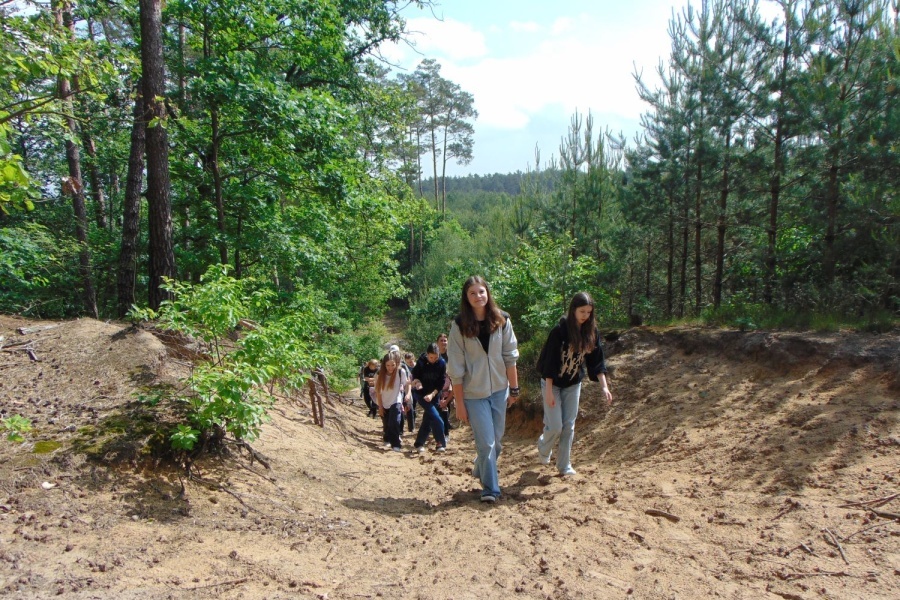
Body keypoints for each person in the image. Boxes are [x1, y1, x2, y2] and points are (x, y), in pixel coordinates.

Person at [447, 276, 519, 503]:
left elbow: (510, 357)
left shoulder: (502, 320)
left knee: (496, 441)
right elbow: (456, 367)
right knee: (486, 443)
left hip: (499, 390)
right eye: (472, 293)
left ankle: (481, 466)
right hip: (473, 395)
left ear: (487, 293)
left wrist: (514, 389)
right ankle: (490, 489)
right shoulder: (459, 326)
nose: (478, 296)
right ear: (466, 298)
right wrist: (459, 403)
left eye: (481, 292)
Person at [536, 292, 612, 476]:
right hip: (551, 383)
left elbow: (597, 361)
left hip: (572, 384)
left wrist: (604, 386)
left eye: (588, 312)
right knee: (555, 426)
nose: (585, 315)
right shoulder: (559, 331)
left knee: (568, 425)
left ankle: (564, 465)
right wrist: (548, 392)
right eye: (582, 311)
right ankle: (543, 447)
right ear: (573, 310)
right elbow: (550, 362)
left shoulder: (591, 333)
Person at [410, 343, 448, 453]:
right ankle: (441, 442)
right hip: (421, 394)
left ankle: (420, 443)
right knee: (437, 418)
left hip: (434, 395)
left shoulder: (441, 363)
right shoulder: (421, 362)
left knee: (428, 418)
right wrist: (417, 382)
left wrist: (432, 395)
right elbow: (415, 376)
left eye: (436, 357)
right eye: (431, 357)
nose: (433, 360)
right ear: (427, 355)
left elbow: (441, 383)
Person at [375, 352, 410, 452]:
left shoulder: (401, 372)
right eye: (388, 365)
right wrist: (380, 407)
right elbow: (378, 392)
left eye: (393, 365)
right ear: (384, 365)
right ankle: (387, 438)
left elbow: (407, 383)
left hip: (396, 400)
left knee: (394, 421)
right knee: (387, 424)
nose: (390, 368)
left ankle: (396, 444)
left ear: (397, 364)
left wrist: (408, 394)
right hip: (384, 401)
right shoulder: (379, 374)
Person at [435, 333, 453, 437]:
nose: (443, 342)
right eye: (441, 340)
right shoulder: (435, 354)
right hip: (436, 383)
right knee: (437, 404)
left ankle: (445, 422)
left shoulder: (450, 355)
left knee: (447, 403)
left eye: (445, 340)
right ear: (437, 342)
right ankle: (440, 425)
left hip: (449, 382)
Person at [403, 352, 417, 433]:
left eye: (411, 361)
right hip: (409, 389)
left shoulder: (418, 366)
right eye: (408, 362)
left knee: (414, 405)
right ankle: (411, 425)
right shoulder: (405, 368)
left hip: (417, 388)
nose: (410, 363)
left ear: (414, 359)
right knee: (411, 406)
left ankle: (412, 424)